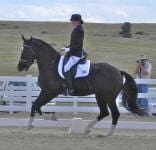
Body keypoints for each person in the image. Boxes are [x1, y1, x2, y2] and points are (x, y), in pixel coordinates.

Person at [60, 14, 85, 95]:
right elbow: (73, 43)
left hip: (76, 54)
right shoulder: (76, 29)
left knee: (66, 68)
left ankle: (70, 89)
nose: (71, 22)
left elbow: (78, 45)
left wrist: (68, 49)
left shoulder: (79, 30)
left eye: (73, 21)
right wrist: (66, 47)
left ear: (77, 21)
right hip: (73, 52)